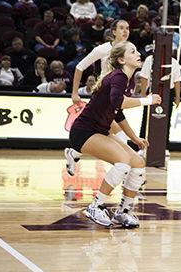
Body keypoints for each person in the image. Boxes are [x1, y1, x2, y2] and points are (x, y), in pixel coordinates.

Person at [68, 41, 160, 227]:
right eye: (132, 52)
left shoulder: (123, 79)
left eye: (136, 50)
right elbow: (118, 102)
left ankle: (123, 212)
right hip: (84, 132)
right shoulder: (119, 77)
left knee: (138, 163)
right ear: (121, 59)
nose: (138, 53)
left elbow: (117, 112)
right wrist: (147, 100)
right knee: (123, 163)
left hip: (98, 131)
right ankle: (96, 206)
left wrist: (134, 138)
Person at [68, 20, 132, 168]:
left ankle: (74, 153)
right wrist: (74, 93)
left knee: (101, 131)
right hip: (103, 96)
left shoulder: (129, 50)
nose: (125, 31)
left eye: (127, 28)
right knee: (120, 135)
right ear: (113, 32)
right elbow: (79, 67)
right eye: (121, 28)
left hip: (116, 95)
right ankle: (126, 168)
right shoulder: (102, 49)